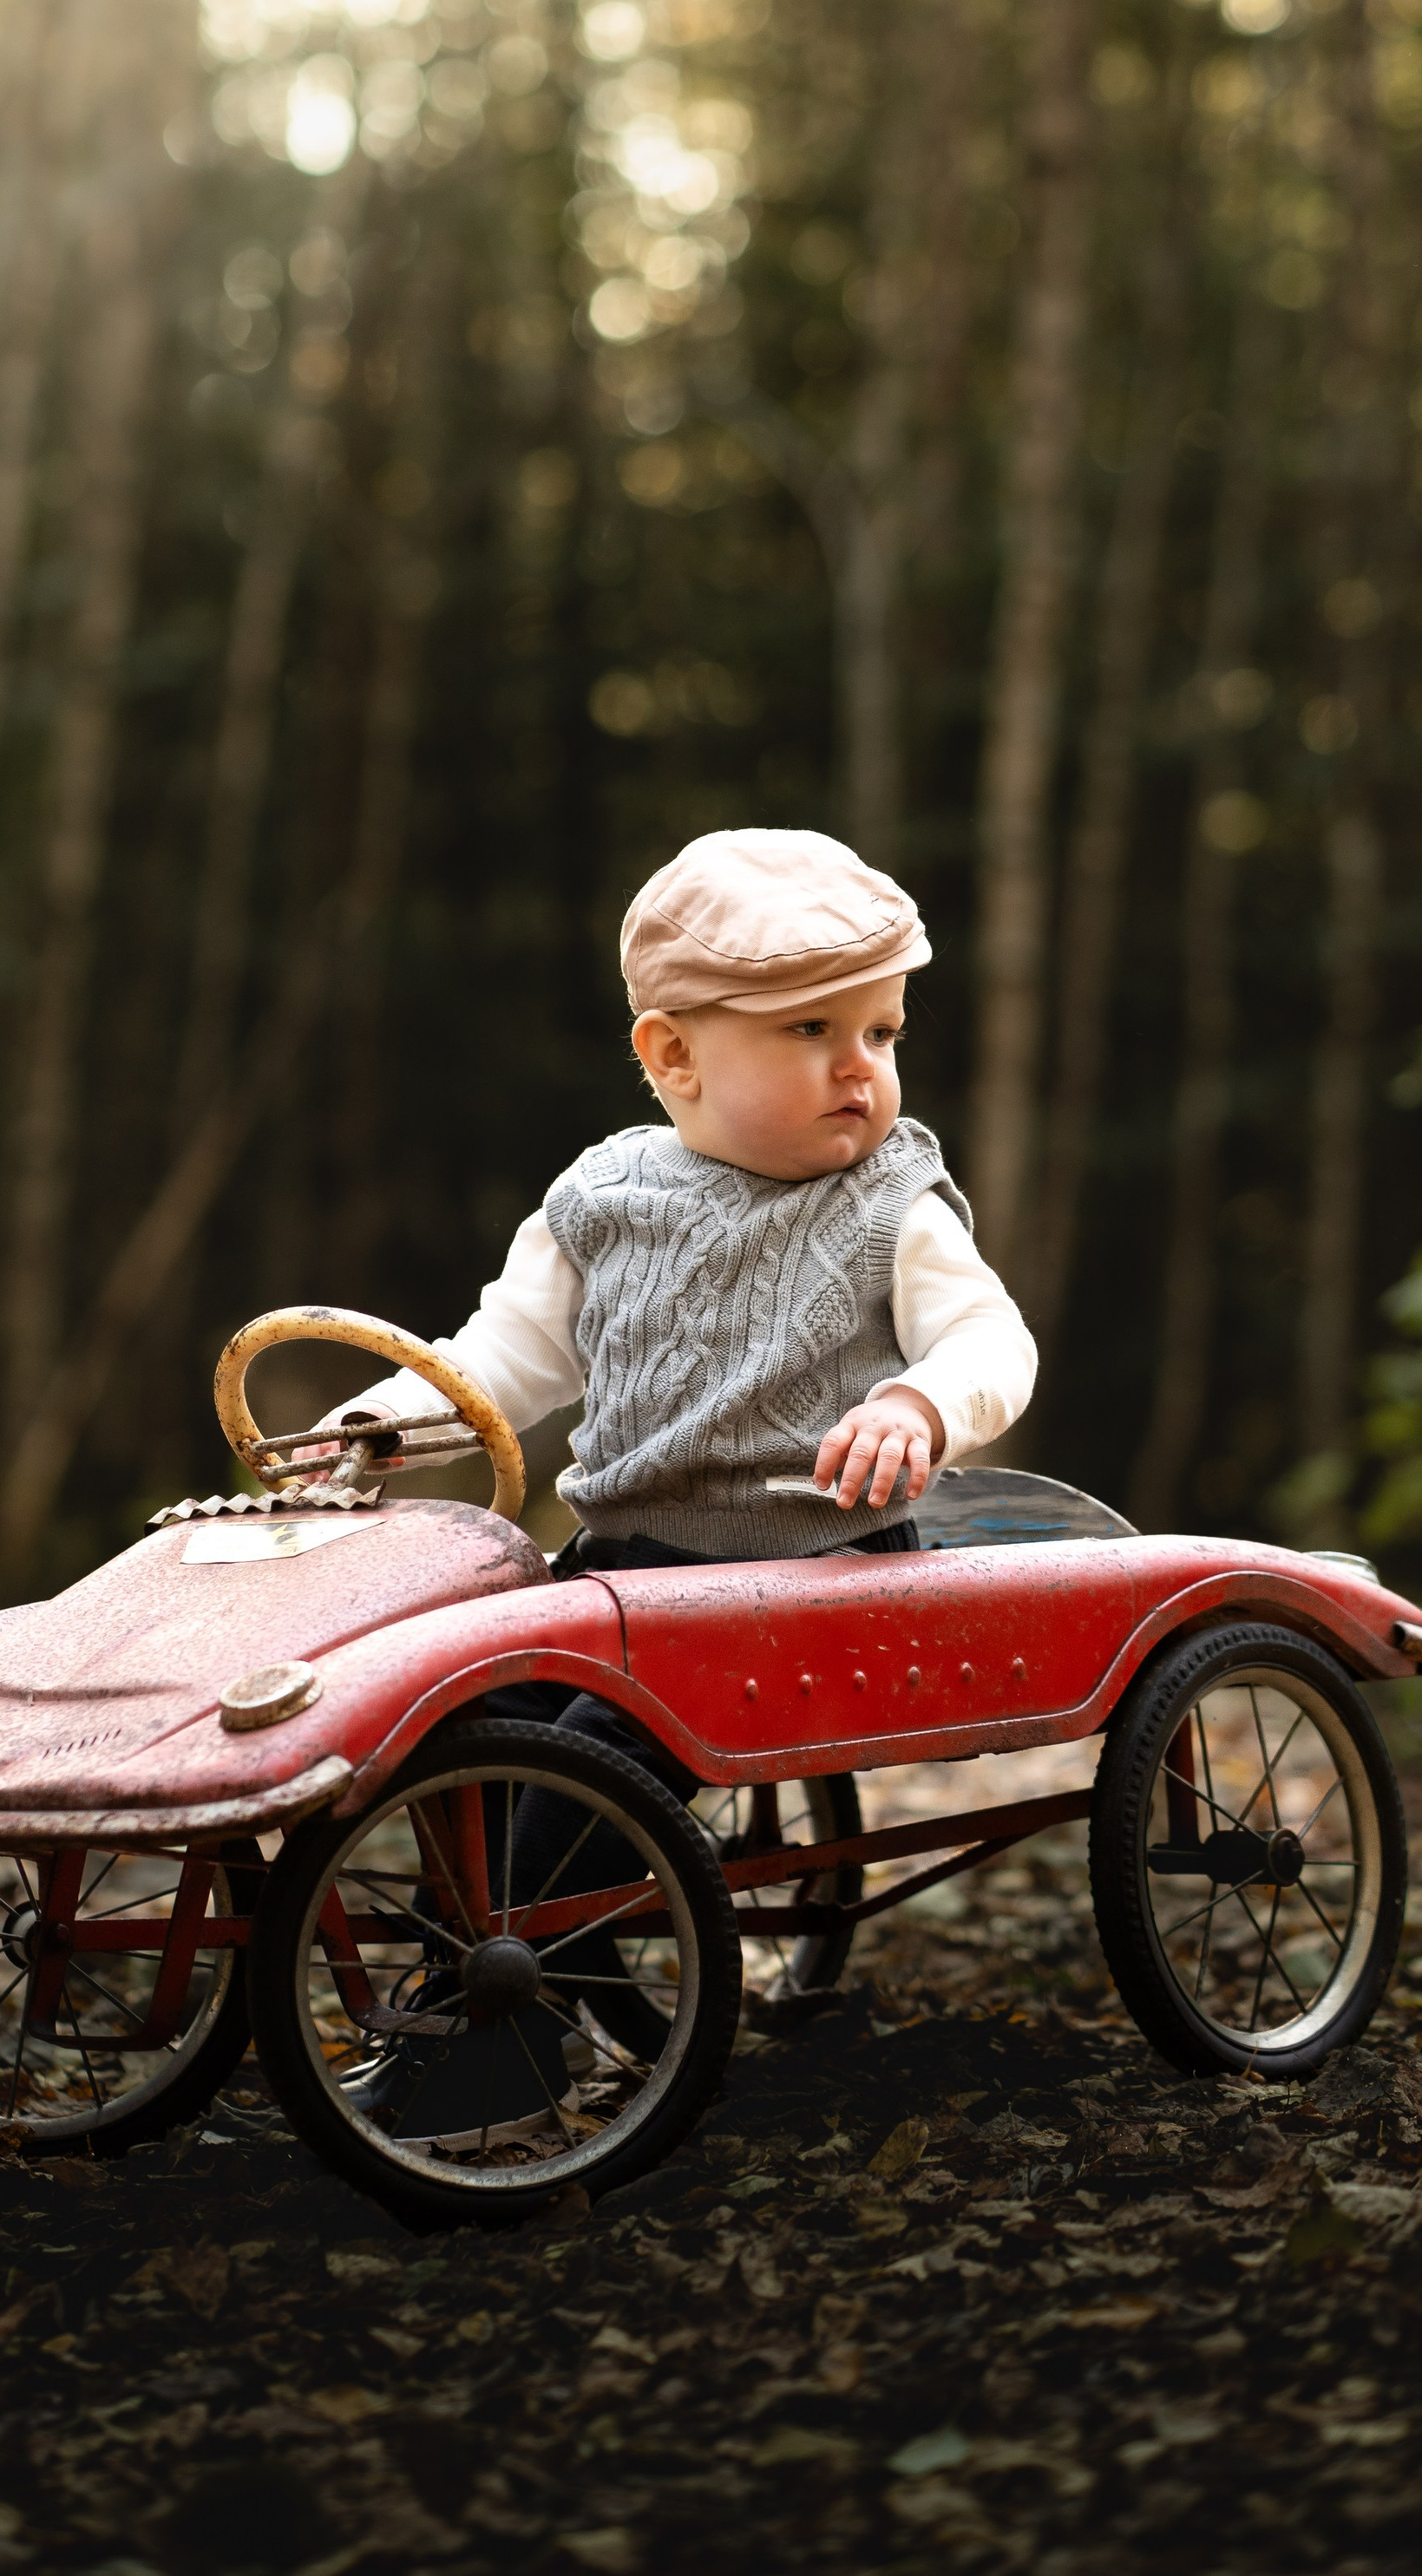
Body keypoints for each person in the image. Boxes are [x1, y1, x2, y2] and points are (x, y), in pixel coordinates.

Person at [300, 829, 1037, 2110]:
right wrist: (377, 1426)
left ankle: (505, 2037)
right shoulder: (604, 1198)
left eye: (884, 1032)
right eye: (812, 1031)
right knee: (465, 1742)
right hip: (625, 1581)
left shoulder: (890, 1203)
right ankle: (465, 1992)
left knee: (577, 1778)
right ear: (672, 1056)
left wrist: (923, 1398)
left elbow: (992, 1337)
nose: (861, 1070)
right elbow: (505, 1361)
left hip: (808, 1578)